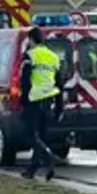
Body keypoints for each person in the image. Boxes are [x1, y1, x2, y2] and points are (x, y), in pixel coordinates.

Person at [18, 27, 63, 181]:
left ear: (30, 40)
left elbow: (25, 80)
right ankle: (33, 169)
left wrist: (23, 99)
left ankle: (49, 157)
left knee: (30, 135)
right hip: (49, 99)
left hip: (33, 99)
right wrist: (59, 106)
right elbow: (59, 83)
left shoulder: (30, 56)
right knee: (41, 136)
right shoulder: (53, 57)